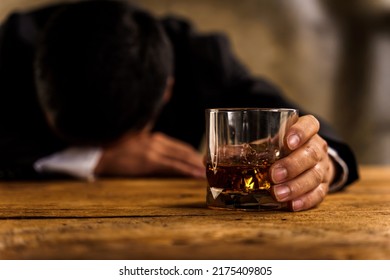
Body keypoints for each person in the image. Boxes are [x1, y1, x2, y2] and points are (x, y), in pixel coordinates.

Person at [0, 0, 358, 211]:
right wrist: (92, 160)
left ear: (168, 90)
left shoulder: (198, 57)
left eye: (118, 139)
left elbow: (292, 116)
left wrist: (320, 161)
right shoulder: (12, 47)